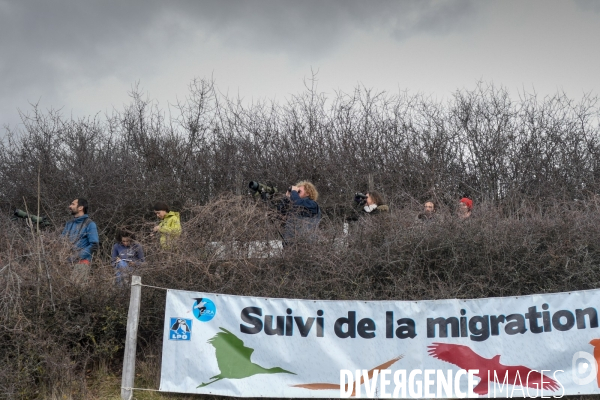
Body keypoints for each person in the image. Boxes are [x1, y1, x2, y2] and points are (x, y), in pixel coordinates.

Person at [61, 198, 99, 281]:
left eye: (73, 204)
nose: (69, 206)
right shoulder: (69, 223)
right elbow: (61, 240)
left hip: (82, 262)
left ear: (80, 207)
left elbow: (94, 245)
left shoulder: (90, 224)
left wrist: (76, 256)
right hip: (65, 262)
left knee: (76, 288)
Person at [279, 181, 322, 247]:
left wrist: (294, 192)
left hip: (306, 245)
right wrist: (287, 197)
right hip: (290, 245)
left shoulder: (312, 204)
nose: (296, 193)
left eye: (299, 191)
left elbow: (298, 205)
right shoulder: (294, 205)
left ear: (308, 193)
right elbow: (281, 212)